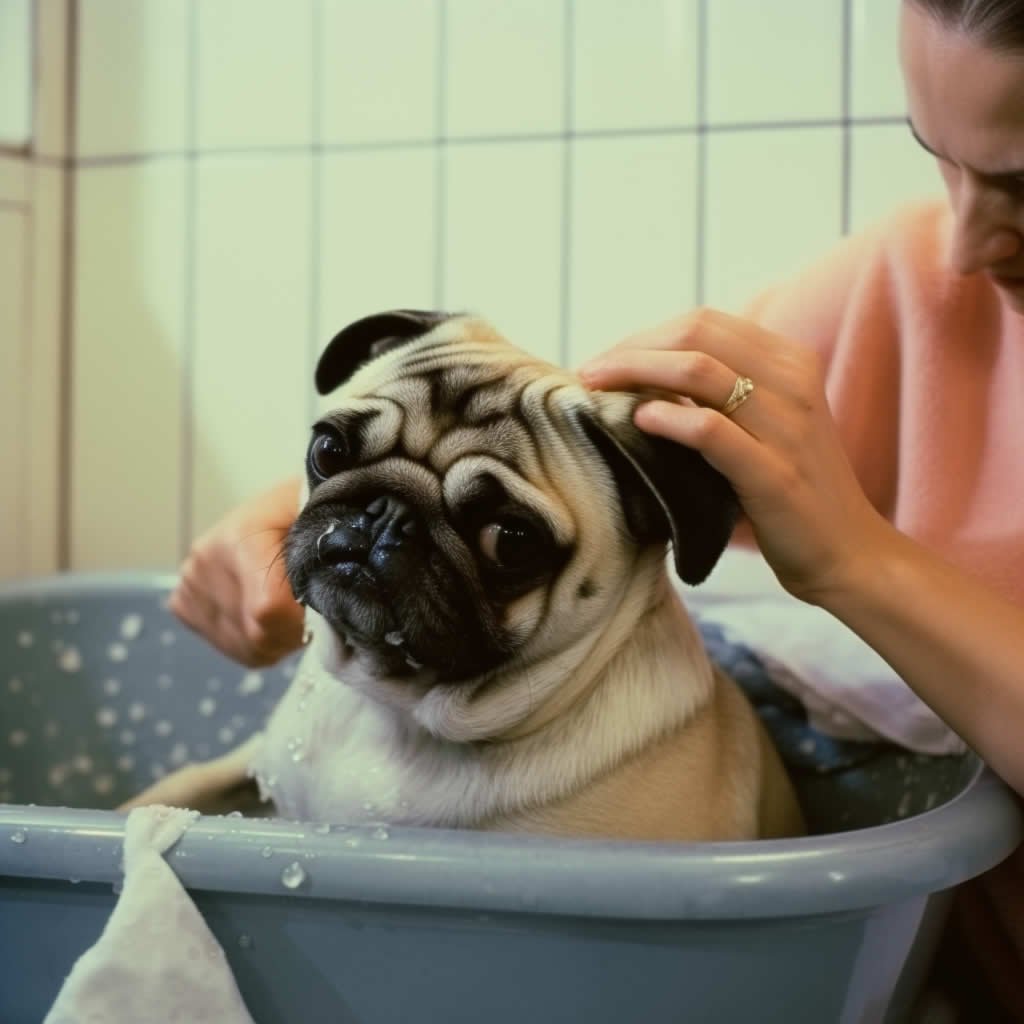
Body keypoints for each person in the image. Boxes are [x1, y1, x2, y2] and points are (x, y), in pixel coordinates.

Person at [169, 0, 1024, 1017]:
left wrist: (855, 560)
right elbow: (556, 441)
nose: (967, 237)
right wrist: (312, 509)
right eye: (935, 155)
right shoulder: (910, 281)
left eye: (1019, 181)